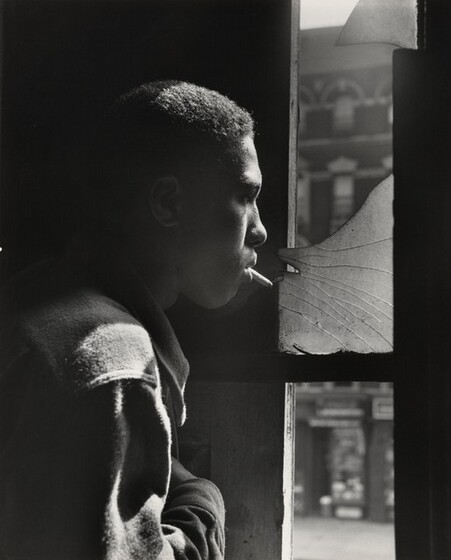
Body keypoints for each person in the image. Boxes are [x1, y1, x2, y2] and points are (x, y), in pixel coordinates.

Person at [0, 81, 267, 560]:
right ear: (168, 203)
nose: (260, 229)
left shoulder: (34, 298)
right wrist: (203, 502)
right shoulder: (114, 361)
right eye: (246, 196)